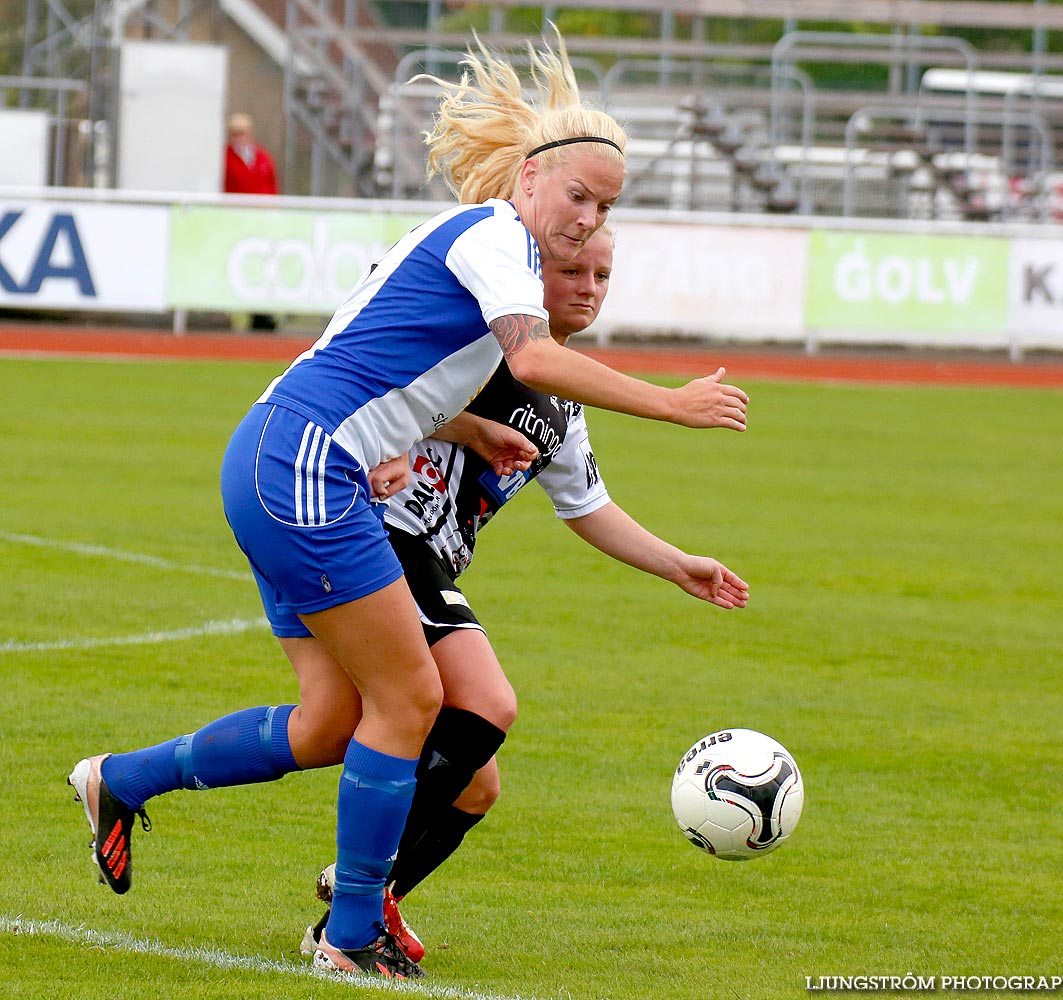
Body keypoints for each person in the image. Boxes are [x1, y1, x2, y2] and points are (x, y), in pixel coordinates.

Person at [68, 31, 749, 982]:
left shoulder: (486, 245)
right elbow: (533, 360)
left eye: (604, 212)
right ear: (525, 177)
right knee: (414, 700)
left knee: (324, 724)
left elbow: (418, 373)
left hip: (281, 455)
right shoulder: (492, 236)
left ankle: (119, 780)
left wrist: (467, 435)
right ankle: (350, 934)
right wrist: (673, 402)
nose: (588, 227)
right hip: (307, 466)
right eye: (578, 200)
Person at [298, 224, 750, 965]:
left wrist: (677, 565)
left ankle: (356, 908)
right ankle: (356, 894)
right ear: (530, 272)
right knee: (488, 704)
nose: (588, 287)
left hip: (432, 565)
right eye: (572, 269)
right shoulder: (476, 348)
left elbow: (586, 507)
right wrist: (469, 426)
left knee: (476, 790)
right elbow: (383, 393)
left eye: (602, 276)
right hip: (381, 541)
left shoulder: (562, 401)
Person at [223, 111, 279, 332]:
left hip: (260, 226)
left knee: (260, 267)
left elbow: (271, 187)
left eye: (242, 132)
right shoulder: (225, 159)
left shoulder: (263, 158)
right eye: (235, 133)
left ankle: (261, 314)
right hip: (235, 226)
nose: (240, 137)